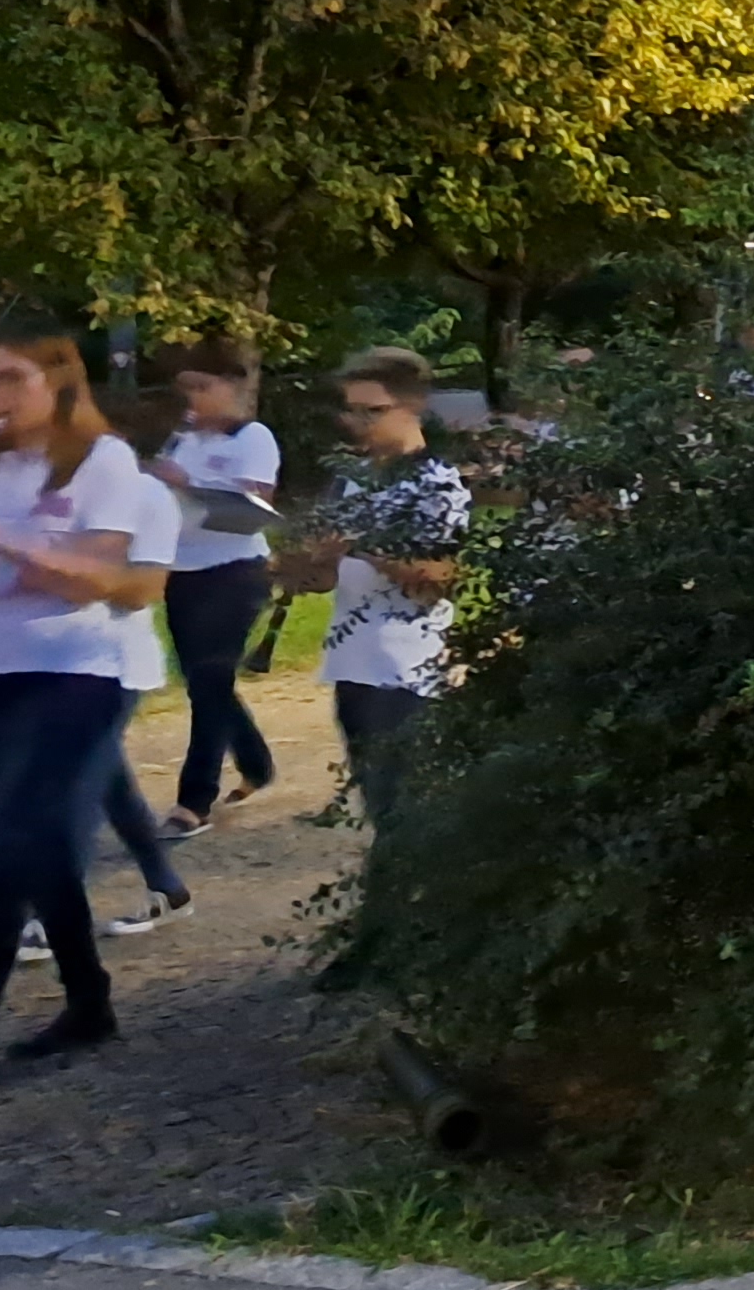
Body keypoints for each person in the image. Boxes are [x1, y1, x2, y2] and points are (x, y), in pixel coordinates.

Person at [0, 332, 164, 1095]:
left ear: (57, 381)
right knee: (40, 844)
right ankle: (89, 1003)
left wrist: (3, 543)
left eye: (9, 377)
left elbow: (94, 579)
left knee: (5, 841)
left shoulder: (104, 462)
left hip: (77, 670)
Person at [301, 347, 469, 791]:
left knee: (398, 799)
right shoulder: (351, 478)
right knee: (374, 797)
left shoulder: (437, 484)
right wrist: (316, 560)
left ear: (413, 407)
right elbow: (324, 582)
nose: (357, 422)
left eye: (372, 411)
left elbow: (438, 580)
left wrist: (365, 547)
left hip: (406, 669)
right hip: (351, 663)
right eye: (351, 410)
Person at [149, 339, 282, 831]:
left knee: (209, 680)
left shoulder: (252, 438)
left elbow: (250, 513)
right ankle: (256, 762)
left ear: (231, 386)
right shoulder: (184, 439)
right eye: (186, 388)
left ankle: (194, 800)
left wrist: (184, 483)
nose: (193, 399)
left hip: (235, 571)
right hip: (182, 570)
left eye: (203, 387)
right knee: (205, 682)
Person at [89, 434, 198, 936]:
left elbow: (140, 590)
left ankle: (45, 912)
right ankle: (168, 887)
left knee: (71, 784)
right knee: (107, 781)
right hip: (39, 662)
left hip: (112, 659)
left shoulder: (144, 496)